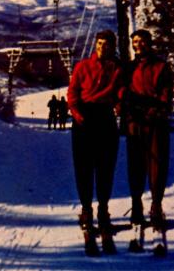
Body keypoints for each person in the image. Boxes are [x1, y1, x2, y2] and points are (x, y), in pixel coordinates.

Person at [67, 29, 123, 256]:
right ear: (95, 45)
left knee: (105, 167)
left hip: (105, 118)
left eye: (106, 45)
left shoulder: (117, 69)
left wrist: (119, 105)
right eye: (99, 44)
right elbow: (72, 94)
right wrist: (79, 117)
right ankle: (87, 210)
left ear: (113, 47)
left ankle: (103, 210)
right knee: (84, 168)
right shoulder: (83, 67)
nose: (102, 48)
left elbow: (120, 91)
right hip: (85, 119)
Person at [122, 29, 174, 255]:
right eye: (135, 42)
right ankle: (136, 205)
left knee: (157, 164)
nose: (139, 45)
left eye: (142, 42)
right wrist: (127, 108)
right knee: (135, 164)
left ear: (149, 44)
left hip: (155, 122)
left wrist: (155, 111)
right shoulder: (129, 67)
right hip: (135, 121)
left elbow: (166, 93)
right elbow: (122, 92)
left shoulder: (161, 66)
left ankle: (156, 205)